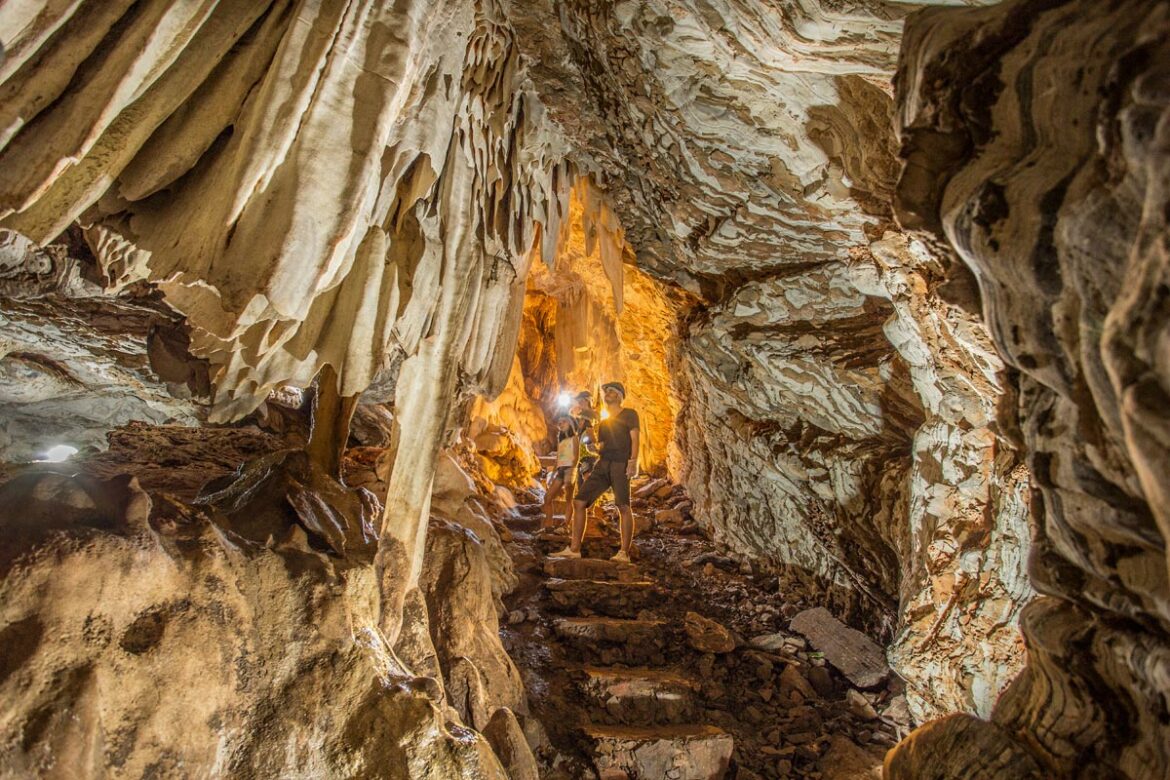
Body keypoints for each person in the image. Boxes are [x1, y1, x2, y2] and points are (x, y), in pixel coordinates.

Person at [552, 381, 639, 563]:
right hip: (603, 463)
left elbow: (635, 438)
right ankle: (574, 549)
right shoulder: (605, 423)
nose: (607, 392)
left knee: (623, 506)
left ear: (620, 395)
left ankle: (624, 552)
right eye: (606, 390)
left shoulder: (630, 414)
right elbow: (602, 447)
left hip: (620, 463)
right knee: (579, 501)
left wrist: (633, 462)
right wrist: (593, 448)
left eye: (612, 390)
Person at [542, 414, 579, 530]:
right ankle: (548, 525)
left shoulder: (574, 439)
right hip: (560, 471)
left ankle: (566, 525)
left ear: (570, 424)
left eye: (563, 422)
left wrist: (572, 471)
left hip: (570, 469)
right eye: (560, 423)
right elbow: (558, 458)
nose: (561, 424)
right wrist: (553, 474)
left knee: (569, 499)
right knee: (547, 498)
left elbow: (576, 457)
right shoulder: (561, 440)